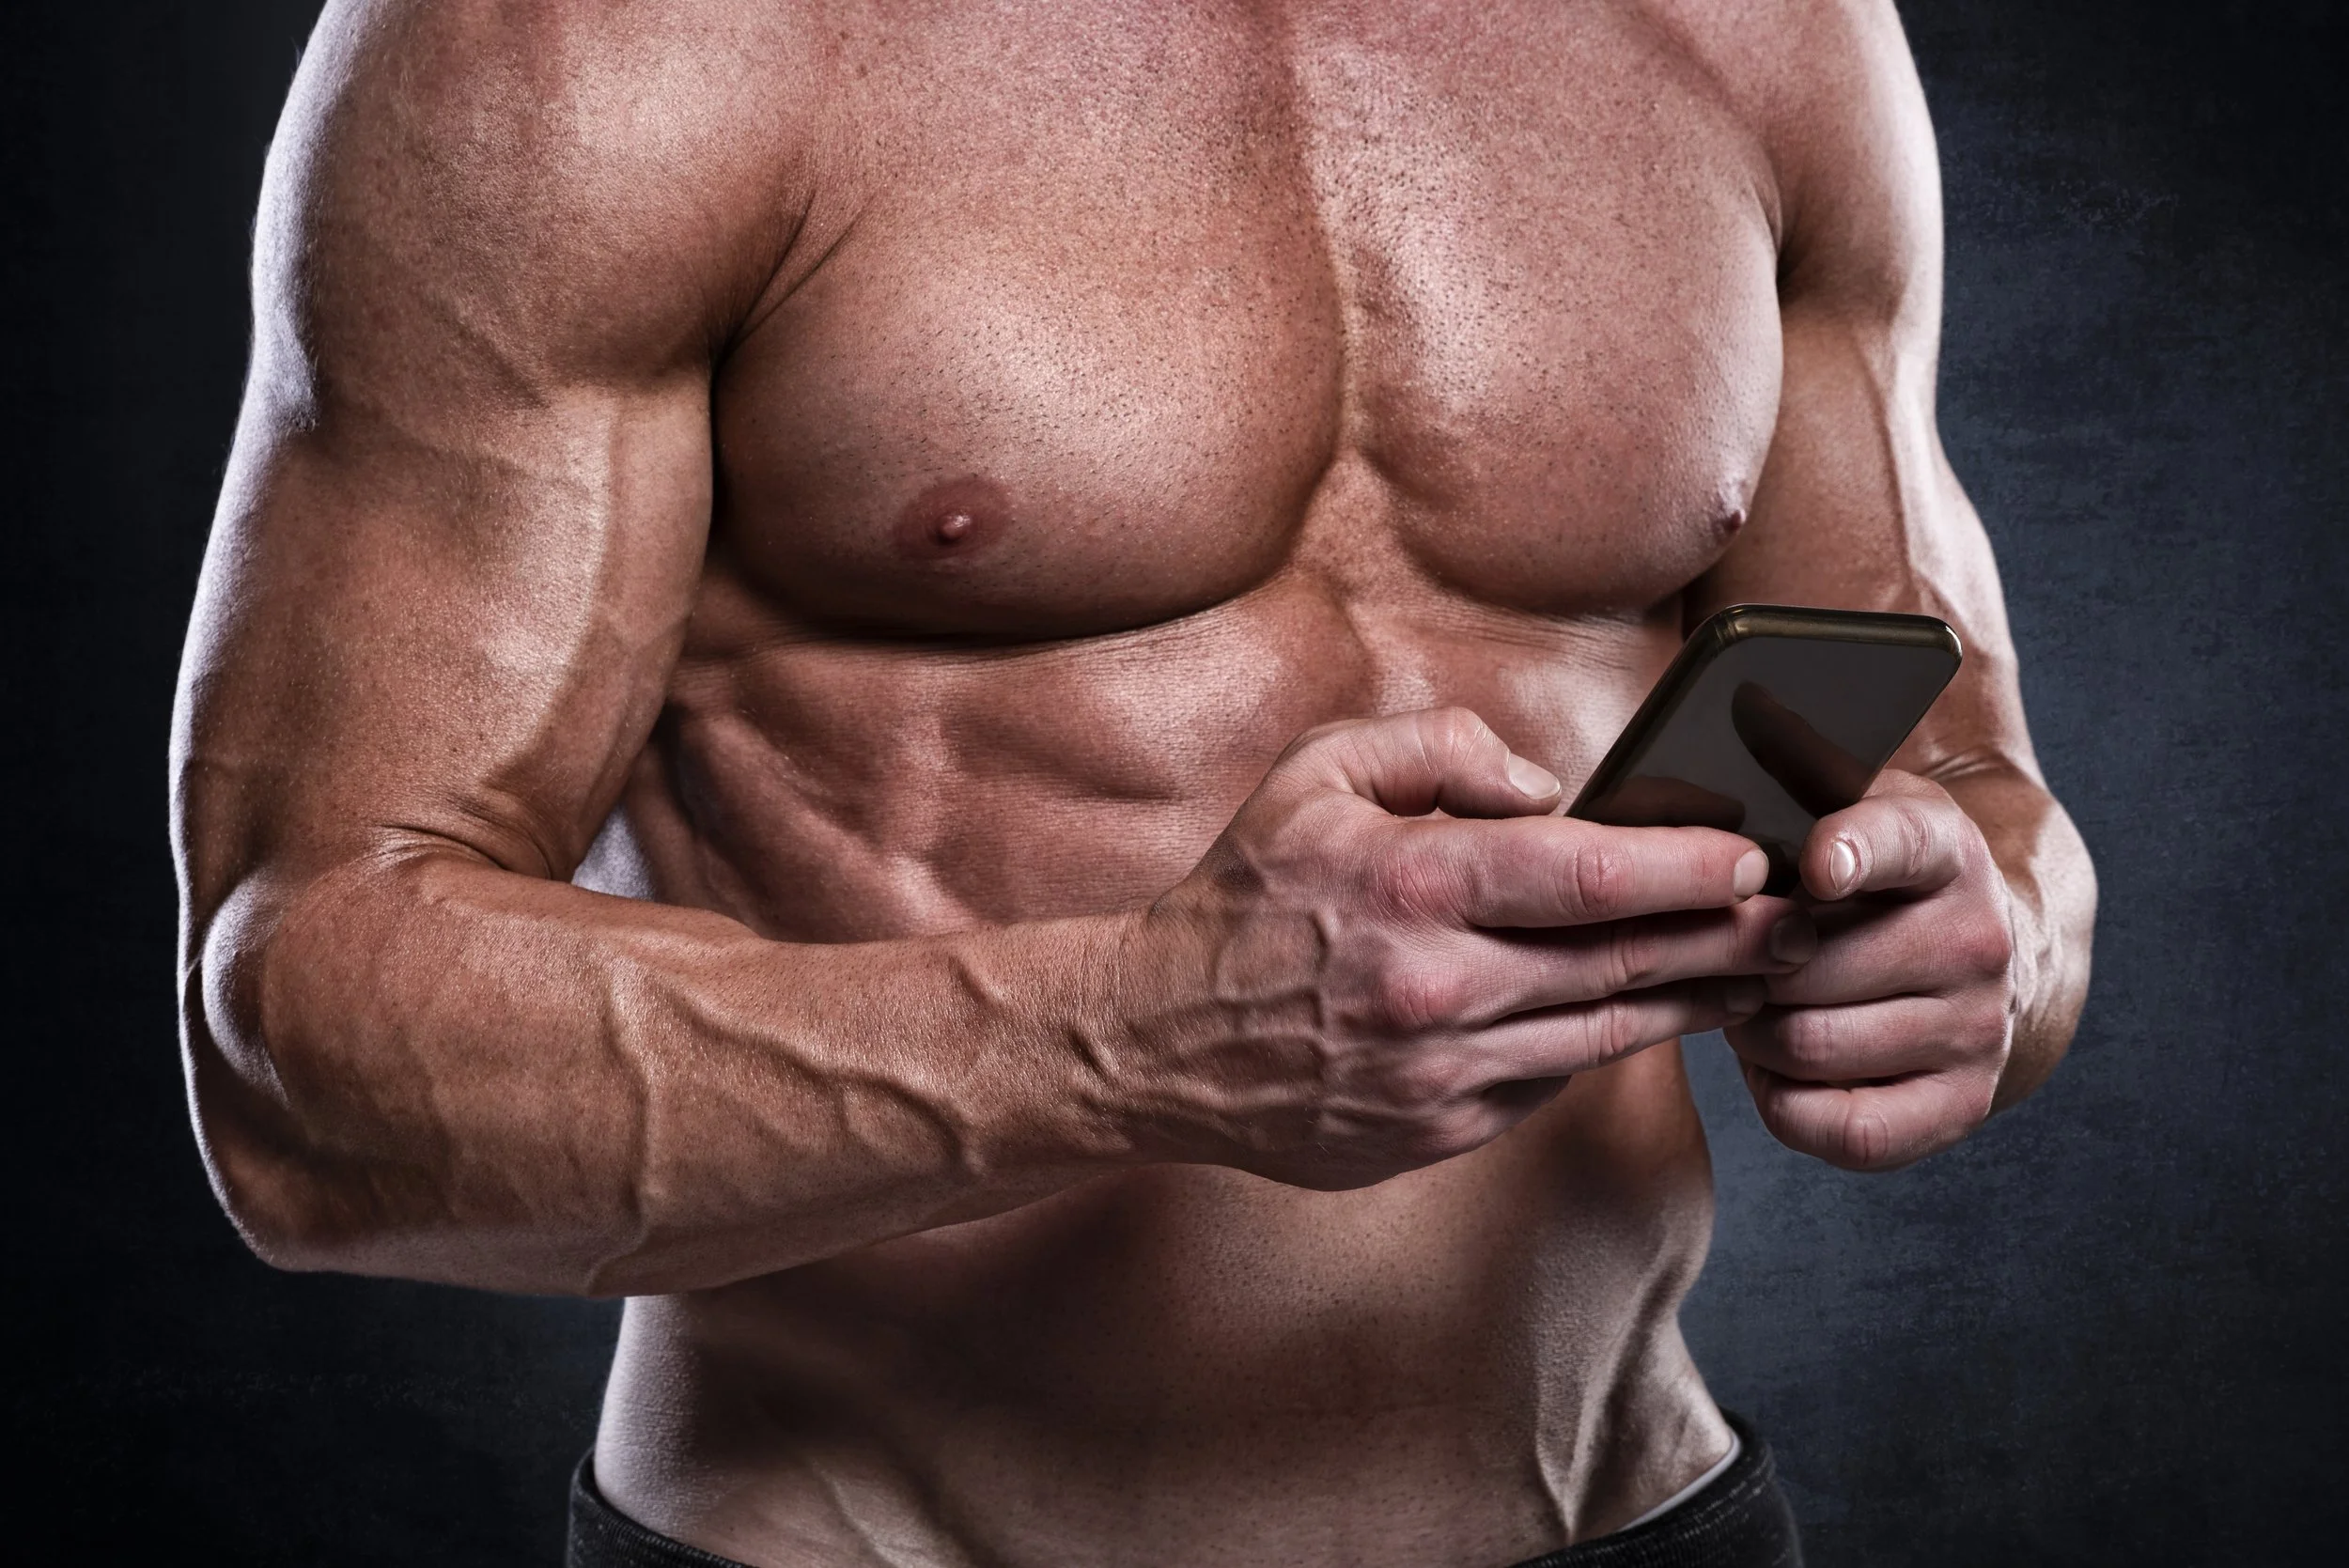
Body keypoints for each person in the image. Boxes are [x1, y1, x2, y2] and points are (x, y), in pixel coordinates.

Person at [170, 0, 2095, 1563]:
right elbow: (302, 1063)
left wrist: (1973, 951)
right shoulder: (586, 49)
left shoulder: (1758, 32)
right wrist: (1130, 1040)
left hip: (1639, 1511)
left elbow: (1964, 777)